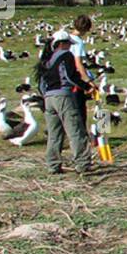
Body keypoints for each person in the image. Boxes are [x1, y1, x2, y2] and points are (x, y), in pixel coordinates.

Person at [37, 32, 93, 175]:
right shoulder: (66, 55)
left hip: (49, 99)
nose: (69, 47)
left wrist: (46, 97)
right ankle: (82, 164)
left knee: (54, 134)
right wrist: (87, 86)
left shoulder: (47, 59)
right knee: (75, 130)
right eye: (68, 44)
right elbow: (70, 76)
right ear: (62, 43)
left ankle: (53, 165)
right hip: (63, 96)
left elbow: (41, 83)